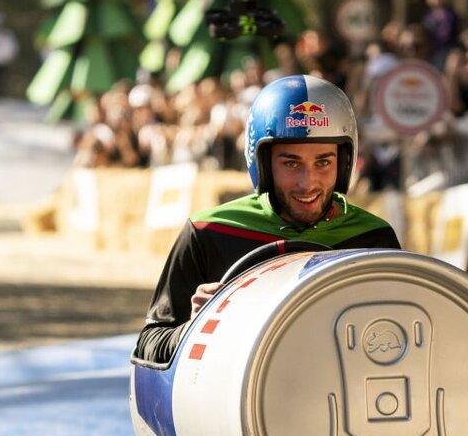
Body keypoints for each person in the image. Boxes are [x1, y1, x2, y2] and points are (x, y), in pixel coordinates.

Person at [133, 75, 401, 366]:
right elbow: (149, 346)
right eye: (291, 163)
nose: (307, 182)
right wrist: (197, 327)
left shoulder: (374, 239)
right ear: (263, 164)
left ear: (344, 163)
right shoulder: (208, 233)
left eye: (323, 162)